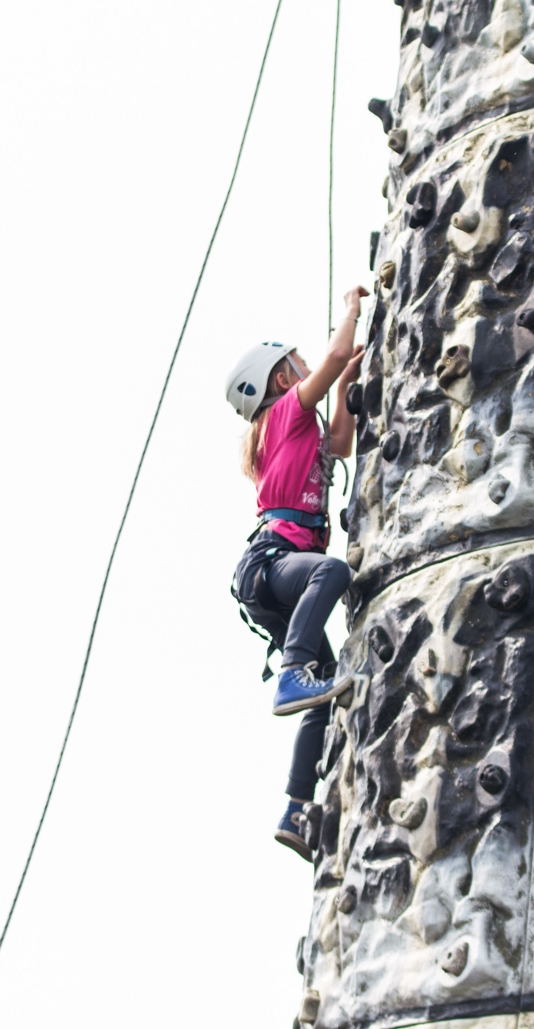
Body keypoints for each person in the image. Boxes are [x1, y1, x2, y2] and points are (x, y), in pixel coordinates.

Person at [225, 286, 367, 861]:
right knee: (330, 572)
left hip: (272, 577)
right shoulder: (283, 414)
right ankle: (292, 671)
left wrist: (349, 389)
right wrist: (351, 314)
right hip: (275, 563)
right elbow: (331, 361)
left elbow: (339, 442)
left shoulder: (296, 429)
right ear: (284, 381)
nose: (309, 367)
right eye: (299, 365)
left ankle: (296, 808)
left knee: (323, 693)